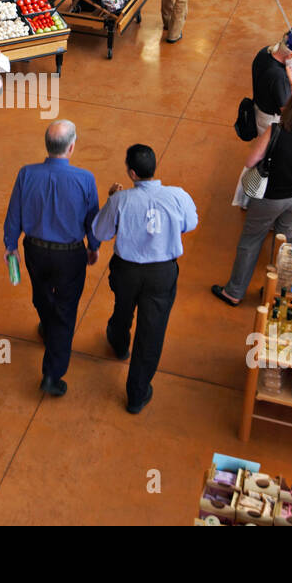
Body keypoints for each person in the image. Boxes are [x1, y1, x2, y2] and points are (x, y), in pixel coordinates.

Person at [93, 144, 199, 413]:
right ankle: (137, 394)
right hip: (161, 273)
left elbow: (102, 232)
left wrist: (111, 199)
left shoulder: (120, 199)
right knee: (151, 332)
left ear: (131, 173)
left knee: (122, 308)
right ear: (153, 169)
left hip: (127, 270)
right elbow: (190, 223)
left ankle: (118, 343)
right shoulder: (177, 195)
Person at [3, 120, 100, 397]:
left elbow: (14, 214)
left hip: (35, 250)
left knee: (41, 294)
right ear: (71, 147)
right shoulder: (85, 179)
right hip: (70, 256)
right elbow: (92, 219)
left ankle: (47, 323)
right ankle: (51, 374)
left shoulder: (26, 174)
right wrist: (93, 246)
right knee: (66, 311)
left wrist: (11, 245)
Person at [213, 88, 292, 305]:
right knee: (287, 248)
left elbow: (250, 162)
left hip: (269, 197)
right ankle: (280, 294)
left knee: (251, 240)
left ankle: (234, 292)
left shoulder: (275, 130)